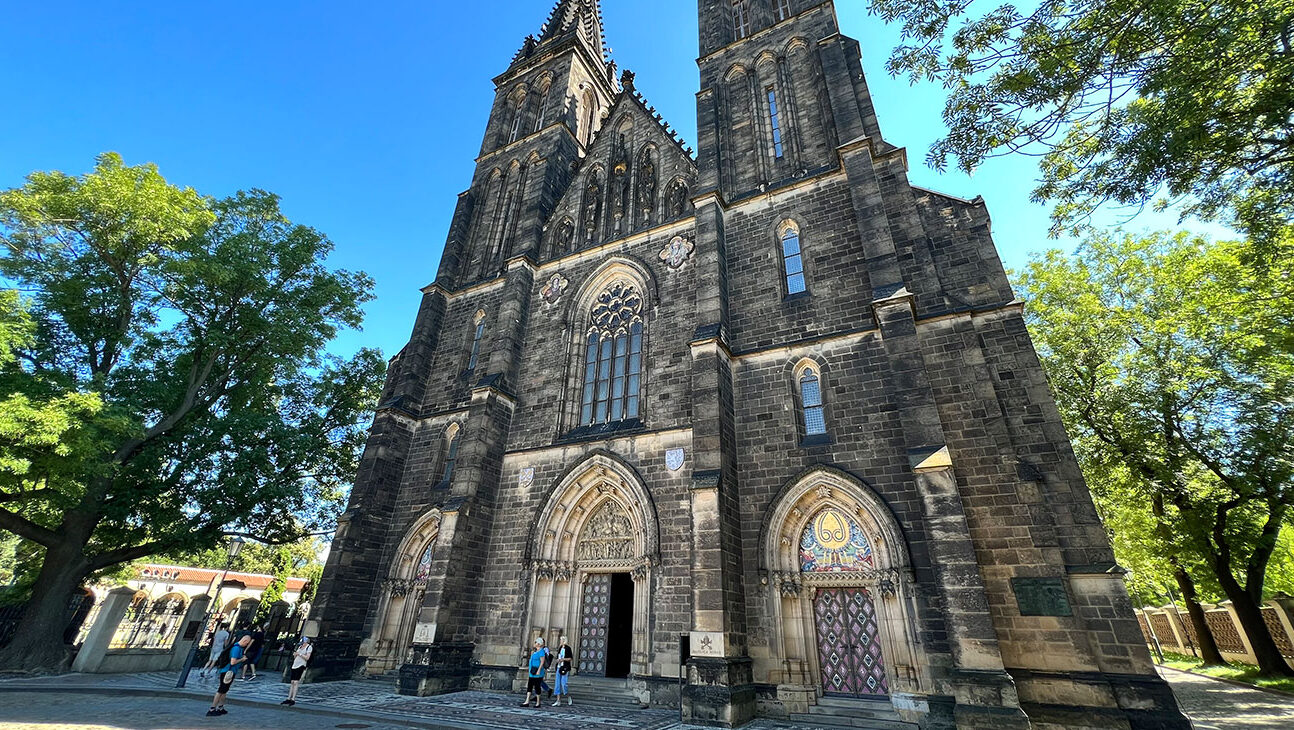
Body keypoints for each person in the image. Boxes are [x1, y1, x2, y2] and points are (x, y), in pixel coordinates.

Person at [208, 634, 252, 717]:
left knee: (224, 690)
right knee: (221, 690)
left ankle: (220, 707)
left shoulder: (237, 647)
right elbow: (233, 662)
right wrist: (242, 659)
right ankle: (212, 708)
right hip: (228, 671)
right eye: (247, 644)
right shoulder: (236, 648)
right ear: (245, 641)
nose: (246, 645)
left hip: (229, 671)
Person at [281, 635, 314, 707]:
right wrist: (295, 655)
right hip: (295, 664)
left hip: (301, 665)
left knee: (296, 682)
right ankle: (288, 698)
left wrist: (300, 654)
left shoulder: (309, 647)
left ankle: (293, 699)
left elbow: (307, 658)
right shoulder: (300, 647)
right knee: (292, 681)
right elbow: (295, 656)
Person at [520, 637, 548, 708]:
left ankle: (538, 702)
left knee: (537, 687)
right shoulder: (535, 651)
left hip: (537, 673)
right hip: (532, 672)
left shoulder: (541, 652)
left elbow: (542, 662)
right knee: (529, 686)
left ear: (539, 644)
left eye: (535, 642)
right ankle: (527, 701)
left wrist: (538, 670)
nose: (534, 643)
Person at [551, 636, 573, 707]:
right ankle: (558, 700)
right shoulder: (560, 648)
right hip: (559, 667)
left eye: (561, 640)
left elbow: (570, 658)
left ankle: (568, 696)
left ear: (564, 640)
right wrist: (558, 660)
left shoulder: (568, 648)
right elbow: (559, 656)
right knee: (557, 684)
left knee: (564, 684)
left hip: (565, 668)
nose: (560, 641)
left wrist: (563, 659)